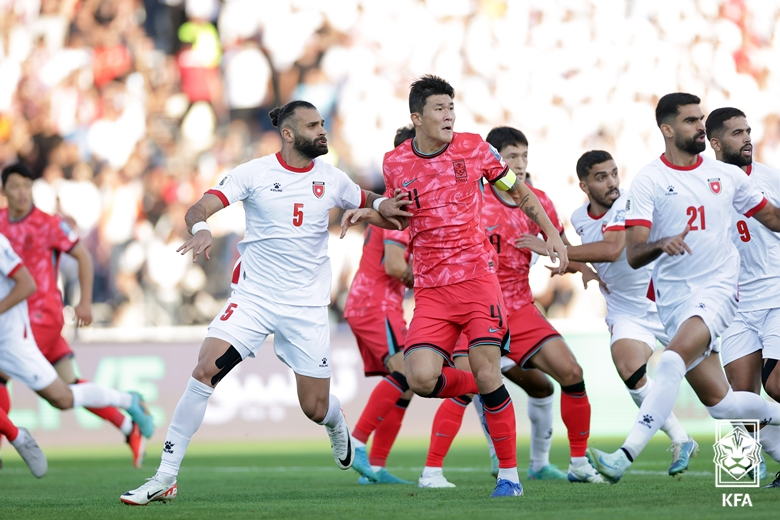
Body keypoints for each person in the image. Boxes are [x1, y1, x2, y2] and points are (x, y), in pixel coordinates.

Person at [120, 100, 412, 505]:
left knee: (314, 406)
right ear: (289, 134)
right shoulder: (254, 173)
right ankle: (165, 477)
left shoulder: (330, 177)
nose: (322, 131)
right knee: (205, 370)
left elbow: (371, 200)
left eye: (322, 123)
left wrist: (376, 207)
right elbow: (200, 207)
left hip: (306, 308)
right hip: (254, 299)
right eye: (313, 125)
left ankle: (333, 419)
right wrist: (202, 227)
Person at [342, 76, 568, 497]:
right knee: (422, 378)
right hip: (431, 291)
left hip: (479, 281)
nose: (449, 115)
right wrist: (368, 214)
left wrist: (550, 232)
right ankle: (489, 387)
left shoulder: (474, 147)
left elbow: (515, 190)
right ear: (417, 118)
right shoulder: (395, 163)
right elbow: (399, 216)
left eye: (451, 107)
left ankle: (509, 476)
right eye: (439, 109)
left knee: (484, 365)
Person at [588, 92, 780, 483]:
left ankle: (625, 455)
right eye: (692, 121)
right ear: (668, 129)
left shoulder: (723, 175)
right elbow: (635, 253)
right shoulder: (648, 181)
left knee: (671, 360)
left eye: (701, 119)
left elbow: (774, 218)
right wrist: (661, 243)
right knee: (724, 405)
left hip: (721, 289)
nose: (699, 126)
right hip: (675, 303)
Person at [419, 126, 600, 488]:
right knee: (467, 386)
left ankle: (578, 462)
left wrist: (580, 267)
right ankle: (432, 471)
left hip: (518, 307)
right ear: (494, 161)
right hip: (475, 306)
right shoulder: (471, 198)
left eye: (523, 157)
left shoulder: (539, 201)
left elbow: (560, 248)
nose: (518, 164)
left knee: (571, 372)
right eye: (511, 157)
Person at [521, 149, 696, 476]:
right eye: (601, 177)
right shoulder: (579, 217)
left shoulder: (628, 202)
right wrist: (579, 268)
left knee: (717, 395)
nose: (612, 182)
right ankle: (680, 437)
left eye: (614, 173)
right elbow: (584, 254)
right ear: (584, 185)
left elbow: (613, 250)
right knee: (629, 365)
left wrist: (552, 247)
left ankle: (755, 442)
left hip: (667, 301)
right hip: (625, 307)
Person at [0, 163, 147, 468]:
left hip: (42, 316)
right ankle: (127, 420)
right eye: (15, 186)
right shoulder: (1, 223)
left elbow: (82, 255)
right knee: (68, 389)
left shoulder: (50, 223)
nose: (22, 192)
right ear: (5, 191)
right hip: (16, 318)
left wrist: (84, 302)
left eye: (27, 186)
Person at [706, 107, 780, 487]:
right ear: (715, 143)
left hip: (776, 295)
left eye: (748, 131)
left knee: (776, 386)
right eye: (737, 133)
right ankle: (742, 478)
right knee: (740, 401)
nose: (748, 138)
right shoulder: (703, 183)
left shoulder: (771, 178)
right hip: (735, 306)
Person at [343, 125, 415, 485]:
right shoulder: (401, 201)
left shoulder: (396, 198)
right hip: (376, 303)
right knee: (407, 373)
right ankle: (355, 443)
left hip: (375, 302)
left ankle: (375, 469)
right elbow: (395, 265)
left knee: (405, 383)